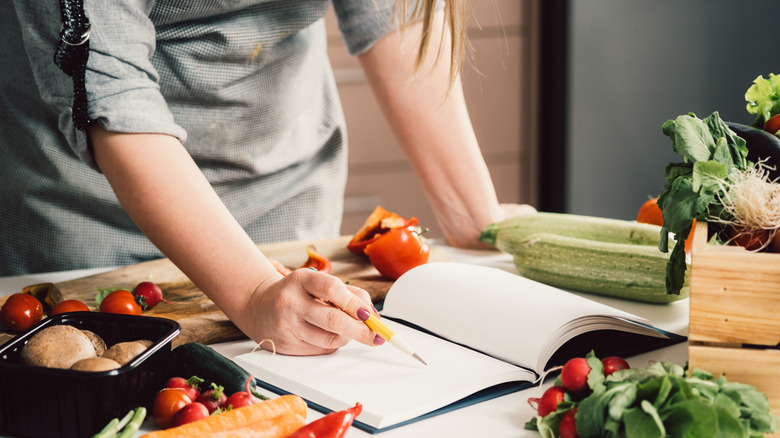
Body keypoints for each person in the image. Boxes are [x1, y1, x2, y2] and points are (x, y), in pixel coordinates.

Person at [1, 0, 535, 355]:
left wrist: (473, 214)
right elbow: (111, 92)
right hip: (86, 215)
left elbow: (396, 13)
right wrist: (255, 290)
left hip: (287, 197)